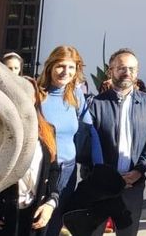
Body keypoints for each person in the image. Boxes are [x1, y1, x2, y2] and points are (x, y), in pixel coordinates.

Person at [88, 48, 146, 236]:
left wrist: (139, 170)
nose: (127, 73)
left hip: (133, 184)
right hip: (101, 186)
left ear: (137, 72)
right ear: (110, 71)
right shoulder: (96, 104)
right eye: (121, 68)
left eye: (131, 69)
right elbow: (89, 144)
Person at [36, 45, 102, 236]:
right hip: (42, 172)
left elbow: (91, 131)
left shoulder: (75, 95)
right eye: (60, 66)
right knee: (37, 222)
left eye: (71, 67)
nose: (66, 72)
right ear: (50, 67)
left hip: (67, 171)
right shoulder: (36, 94)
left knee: (55, 223)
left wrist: (98, 166)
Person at [0, 77, 61, 236]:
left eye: (28, 93)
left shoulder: (48, 131)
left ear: (35, 97)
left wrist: (51, 202)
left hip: (35, 216)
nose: (23, 99)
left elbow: (54, 169)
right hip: (1, 216)